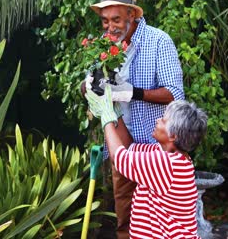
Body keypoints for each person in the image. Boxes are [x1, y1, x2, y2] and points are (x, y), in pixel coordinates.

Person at [84, 0, 185, 238]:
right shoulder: (103, 46)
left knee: (156, 220)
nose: (110, 27)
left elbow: (175, 94)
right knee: (125, 216)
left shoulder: (158, 41)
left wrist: (134, 92)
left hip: (156, 149)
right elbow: (90, 83)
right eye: (105, 21)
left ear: (132, 14)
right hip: (122, 144)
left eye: (116, 19)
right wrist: (87, 87)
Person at [85, 86, 206, 239]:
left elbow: (119, 158)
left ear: (173, 135)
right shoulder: (169, 156)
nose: (157, 120)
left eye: (163, 120)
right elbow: (129, 148)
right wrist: (116, 113)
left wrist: (107, 117)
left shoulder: (166, 164)